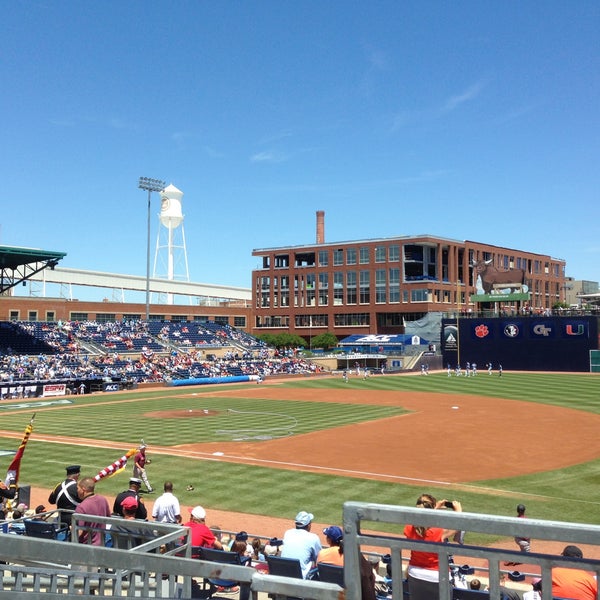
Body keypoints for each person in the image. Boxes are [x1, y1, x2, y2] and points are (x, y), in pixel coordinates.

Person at [404, 494, 463, 587]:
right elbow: (457, 525)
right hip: (437, 576)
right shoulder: (438, 531)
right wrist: (459, 510)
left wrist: (435, 509)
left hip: (414, 574)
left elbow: (423, 523)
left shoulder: (408, 528)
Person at [317, 524, 376, 600]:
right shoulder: (350, 556)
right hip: (349, 595)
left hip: (327, 594)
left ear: (329, 540)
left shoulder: (322, 553)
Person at [281, 510, 322, 579]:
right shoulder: (313, 538)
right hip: (301, 579)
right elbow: (320, 559)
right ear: (309, 525)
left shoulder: (288, 533)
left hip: (282, 575)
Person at [74, 476, 111, 545]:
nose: (77, 491)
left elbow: (79, 532)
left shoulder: (81, 507)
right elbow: (108, 518)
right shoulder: (103, 499)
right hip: (102, 544)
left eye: (78, 488)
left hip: (87, 547)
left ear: (83, 489)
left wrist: (72, 530)